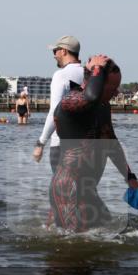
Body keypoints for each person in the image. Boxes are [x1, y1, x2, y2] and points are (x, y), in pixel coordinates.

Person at [49, 55, 138, 232]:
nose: (116, 93)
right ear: (96, 81)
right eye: (113, 87)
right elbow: (90, 96)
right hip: (69, 188)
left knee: (109, 231)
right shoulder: (71, 102)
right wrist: (97, 69)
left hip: (88, 190)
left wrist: (130, 178)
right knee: (71, 249)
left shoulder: (102, 106)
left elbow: (111, 144)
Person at [33, 35, 84, 172]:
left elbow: (54, 113)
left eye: (55, 51)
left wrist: (40, 143)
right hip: (87, 145)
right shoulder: (88, 75)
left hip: (62, 145)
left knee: (61, 191)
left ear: (64, 51)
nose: (54, 55)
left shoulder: (61, 75)